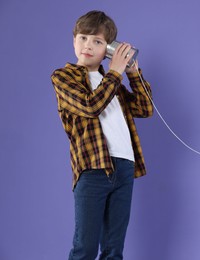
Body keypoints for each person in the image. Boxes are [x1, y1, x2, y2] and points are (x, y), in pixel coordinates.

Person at [51, 10, 153, 260]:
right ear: (74, 40)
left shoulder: (113, 82)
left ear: (109, 49)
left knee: (113, 249)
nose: (89, 45)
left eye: (98, 41)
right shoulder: (64, 77)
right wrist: (116, 73)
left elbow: (145, 108)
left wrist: (131, 73)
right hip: (93, 169)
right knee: (85, 248)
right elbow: (91, 106)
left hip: (125, 166)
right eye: (84, 38)